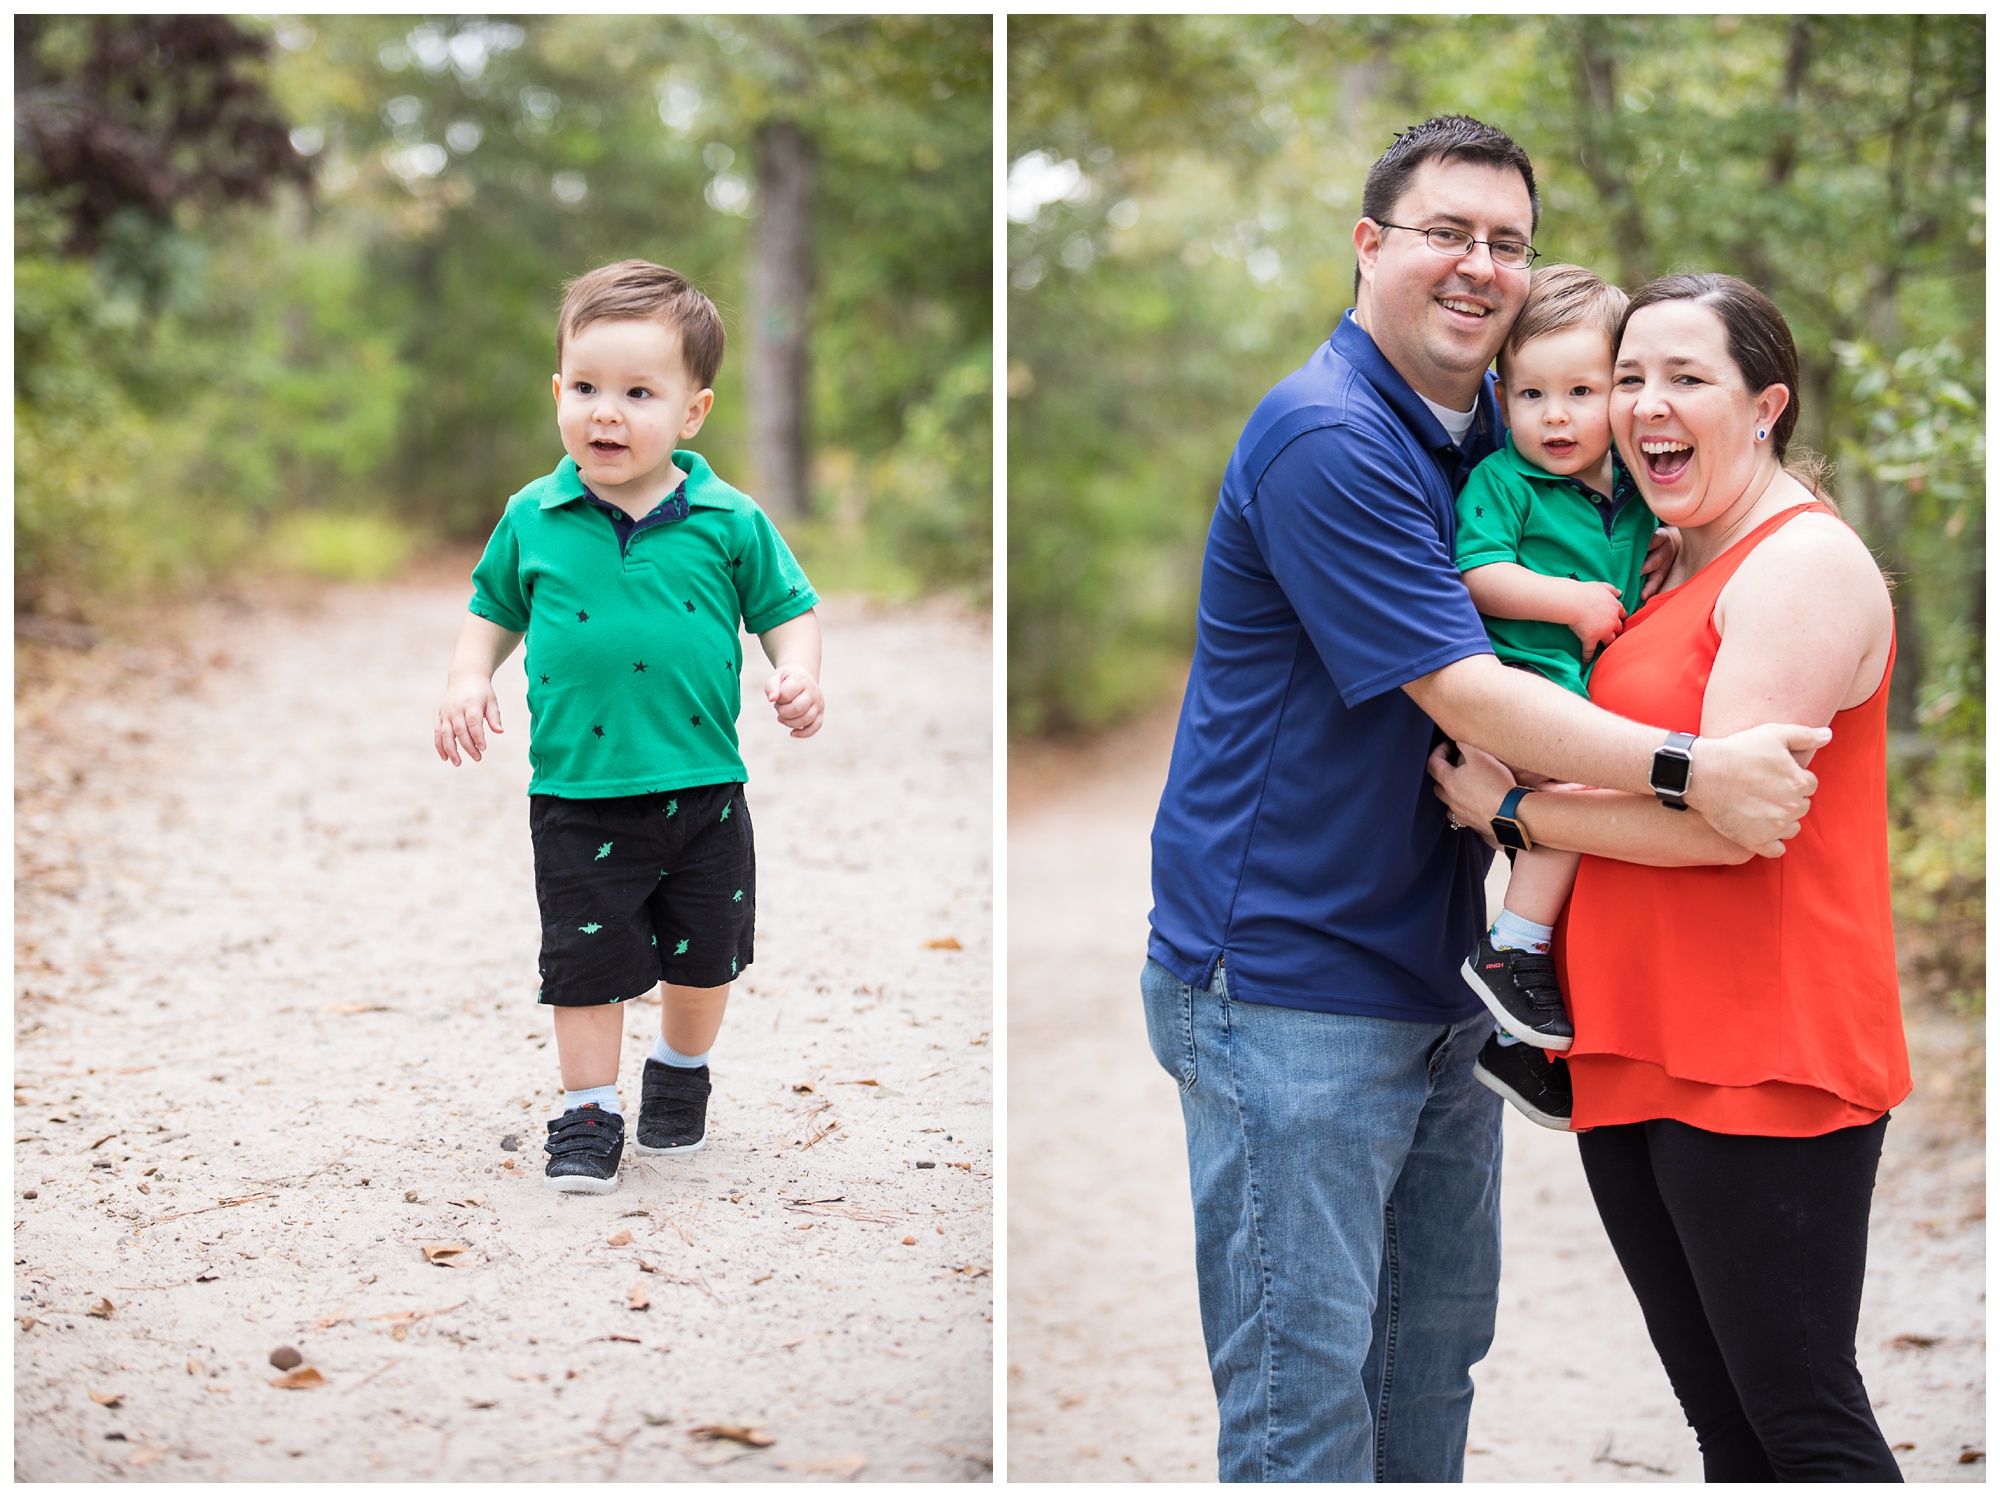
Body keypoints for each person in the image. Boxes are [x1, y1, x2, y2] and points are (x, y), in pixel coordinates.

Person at [1141, 115, 1828, 1484]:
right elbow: (1469, 696)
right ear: (1369, 243)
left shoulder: (1485, 441)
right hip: (1287, 979)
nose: (1479, 265)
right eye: (1447, 232)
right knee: (1305, 1409)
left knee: (1426, 1373)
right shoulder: (1328, 438)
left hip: (1440, 975)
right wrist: (1695, 773)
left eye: (1507, 242)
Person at [1429, 273, 1908, 1481]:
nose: (1645, 404)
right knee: (1729, 1433)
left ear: (1764, 406)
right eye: (1628, 376)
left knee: (1802, 1424)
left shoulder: (1797, 566)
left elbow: (1725, 827)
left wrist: (1519, 812)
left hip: (1758, 1050)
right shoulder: (1672, 563)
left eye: (1684, 377)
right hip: (1635, 1046)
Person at [434, 259, 825, 1195]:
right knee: (586, 963)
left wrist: (797, 668)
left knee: (705, 961)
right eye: (585, 387)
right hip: (577, 792)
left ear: (693, 410)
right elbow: (491, 608)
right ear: (558, 392)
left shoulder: (729, 519)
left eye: (638, 392)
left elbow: (789, 607)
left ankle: (681, 1072)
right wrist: (465, 676)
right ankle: (588, 1109)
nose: (605, 412)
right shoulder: (535, 515)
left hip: (701, 786)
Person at [1452, 264, 1664, 1110]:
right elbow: (1478, 574)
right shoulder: (1503, 481)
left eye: (1581, 390)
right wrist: (1568, 600)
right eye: (1533, 394)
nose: (1557, 415)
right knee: (1584, 792)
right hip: (1521, 685)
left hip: (1588, 694)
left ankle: (1516, 1044)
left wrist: (1674, 554)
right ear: (1502, 398)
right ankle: (1512, 947)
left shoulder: (1635, 493)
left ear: (1618, 392)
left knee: (1604, 814)